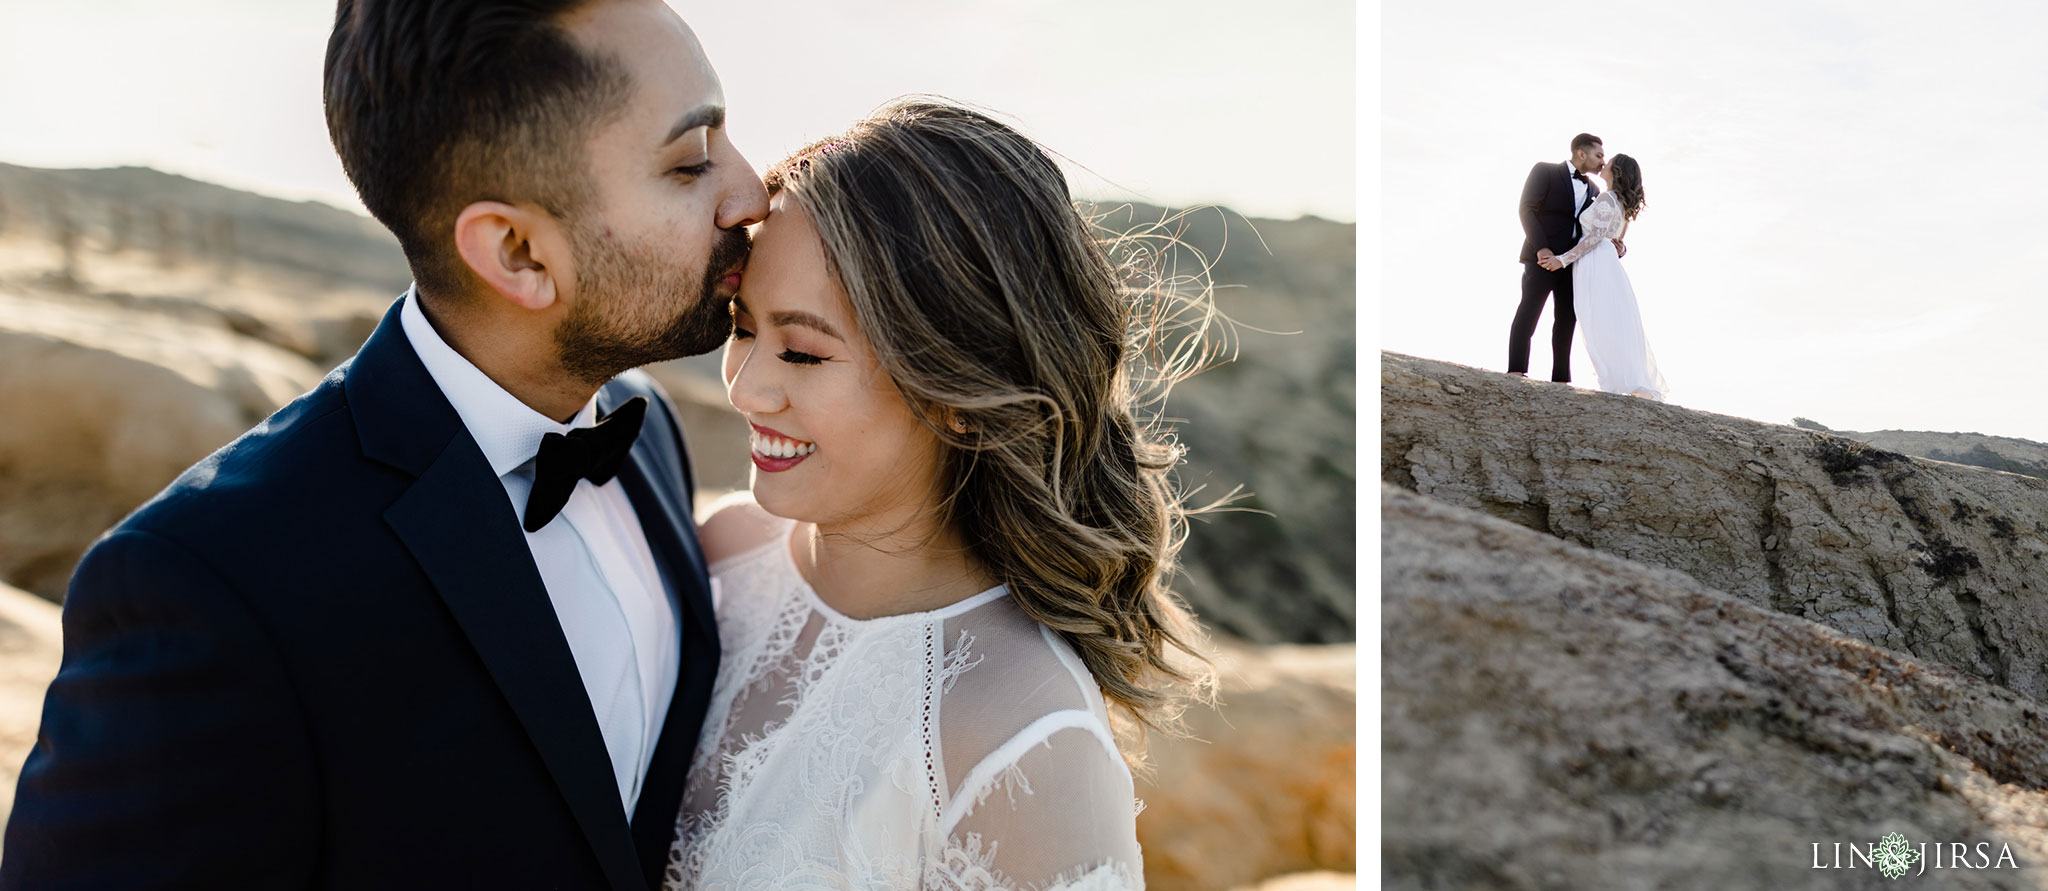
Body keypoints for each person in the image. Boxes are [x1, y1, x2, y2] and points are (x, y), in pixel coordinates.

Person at [1, 1, 764, 887]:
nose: (749, 190)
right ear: (517, 252)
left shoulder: (644, 434)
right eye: (691, 161)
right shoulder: (210, 588)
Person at [661, 100, 1216, 890]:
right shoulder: (722, 552)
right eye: (743, 327)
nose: (748, 389)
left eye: (805, 353)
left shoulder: (1026, 738)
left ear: (959, 389)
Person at [1539, 154, 1668, 400]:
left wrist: (1562, 259)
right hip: (1607, 262)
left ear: (1616, 171)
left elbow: (1595, 237)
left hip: (1595, 261)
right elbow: (1617, 240)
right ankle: (1621, 377)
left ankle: (1616, 379)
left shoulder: (1608, 198)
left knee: (1599, 320)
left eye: (1608, 162)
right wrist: (1621, 248)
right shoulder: (1621, 202)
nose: (1603, 163)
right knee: (1610, 321)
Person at [1508, 133, 1624, 382]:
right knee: (1529, 311)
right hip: (1541, 257)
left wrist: (1615, 246)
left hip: (1574, 263)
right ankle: (1516, 370)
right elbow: (1526, 208)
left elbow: (1595, 230)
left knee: (1566, 320)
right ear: (1581, 153)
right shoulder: (1544, 171)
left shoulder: (1594, 189)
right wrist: (1541, 248)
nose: (1603, 161)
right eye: (1599, 155)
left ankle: (1561, 379)